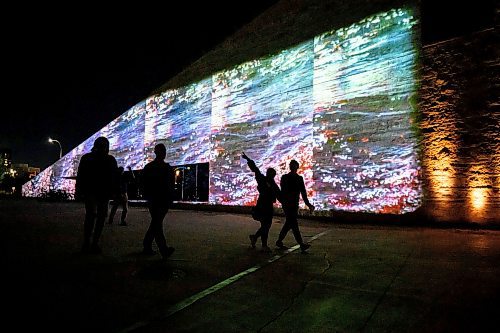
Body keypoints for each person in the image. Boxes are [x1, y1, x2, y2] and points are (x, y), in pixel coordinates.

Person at [75, 136, 118, 254]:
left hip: (98, 192)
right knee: (94, 216)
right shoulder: (108, 160)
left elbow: (80, 176)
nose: (103, 149)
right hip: (97, 192)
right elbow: (114, 177)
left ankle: (90, 243)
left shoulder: (88, 158)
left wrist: (78, 190)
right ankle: (90, 243)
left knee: (95, 216)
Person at [242, 152, 281, 252]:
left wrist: (248, 159)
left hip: (266, 206)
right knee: (266, 226)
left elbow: (255, 170)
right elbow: (255, 169)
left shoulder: (269, 182)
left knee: (265, 226)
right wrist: (248, 159)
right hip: (263, 207)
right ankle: (263, 244)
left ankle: (255, 238)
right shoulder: (268, 182)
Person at [142, 143, 175, 259]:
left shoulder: (148, 167)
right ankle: (163, 250)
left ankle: (147, 245)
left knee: (156, 223)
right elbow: (170, 185)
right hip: (162, 200)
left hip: (153, 200)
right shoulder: (167, 168)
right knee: (157, 224)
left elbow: (144, 184)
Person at [275, 159, 315, 253]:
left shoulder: (286, 178)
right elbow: (303, 193)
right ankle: (301, 244)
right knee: (293, 224)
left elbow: (284, 192)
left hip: (289, 204)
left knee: (289, 223)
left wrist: (308, 204)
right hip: (291, 204)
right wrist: (308, 204)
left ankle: (279, 241)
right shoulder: (297, 178)